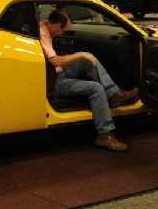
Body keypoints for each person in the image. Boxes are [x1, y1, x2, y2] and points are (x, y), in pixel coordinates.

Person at [40, 10, 138, 151]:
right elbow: (55, 61)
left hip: (58, 71)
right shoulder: (42, 36)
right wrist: (80, 54)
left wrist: (83, 56)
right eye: (63, 30)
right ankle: (104, 135)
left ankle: (114, 94)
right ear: (56, 26)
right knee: (96, 88)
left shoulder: (43, 25)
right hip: (56, 81)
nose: (62, 34)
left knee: (89, 60)